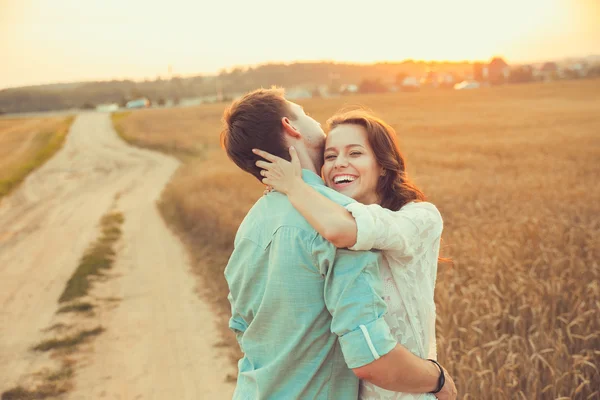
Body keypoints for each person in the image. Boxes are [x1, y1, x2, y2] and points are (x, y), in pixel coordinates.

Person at [220, 88, 457, 400]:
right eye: (305, 113)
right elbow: (371, 358)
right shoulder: (338, 215)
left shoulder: (252, 223)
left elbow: (242, 324)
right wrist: (439, 379)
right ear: (291, 126)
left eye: (355, 153)